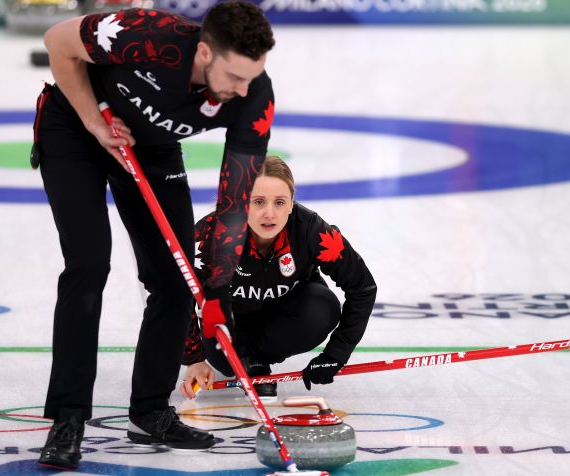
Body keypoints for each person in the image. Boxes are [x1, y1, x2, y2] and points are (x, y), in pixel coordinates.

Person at [31, 1, 275, 470]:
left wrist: (216, 290)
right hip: (77, 127)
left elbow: (234, 201)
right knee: (88, 264)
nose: (244, 89)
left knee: (176, 279)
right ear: (204, 53)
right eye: (234, 77)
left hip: (152, 148)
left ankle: (149, 411)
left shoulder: (254, 97)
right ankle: (68, 416)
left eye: (253, 77)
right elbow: (57, 43)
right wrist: (94, 123)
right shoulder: (147, 34)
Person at [179, 156, 377, 401]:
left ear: (292, 203)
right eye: (259, 202)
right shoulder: (211, 236)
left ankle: (255, 362)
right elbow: (180, 292)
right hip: (230, 332)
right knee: (227, 360)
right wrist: (194, 359)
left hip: (287, 317)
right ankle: (243, 362)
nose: (269, 213)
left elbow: (363, 287)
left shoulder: (314, 231)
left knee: (322, 307)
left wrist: (335, 355)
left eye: (280, 202)